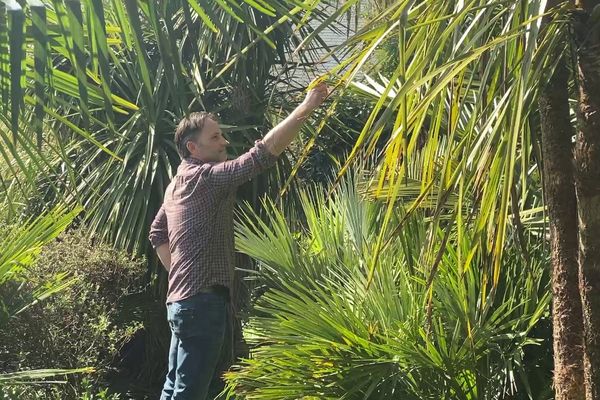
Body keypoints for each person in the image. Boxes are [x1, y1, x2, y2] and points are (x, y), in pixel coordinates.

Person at [148, 81, 329, 400]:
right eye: (215, 136)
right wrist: (306, 107)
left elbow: (157, 233)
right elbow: (260, 156)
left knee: (174, 388)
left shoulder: (175, 184)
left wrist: (181, 278)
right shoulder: (205, 180)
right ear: (193, 148)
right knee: (189, 393)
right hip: (201, 304)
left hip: (180, 303)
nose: (224, 142)